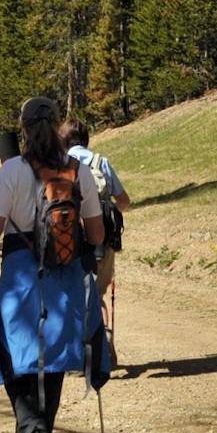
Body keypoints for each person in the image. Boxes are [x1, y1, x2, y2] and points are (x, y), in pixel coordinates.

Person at [0, 96, 111, 433]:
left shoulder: (12, 170)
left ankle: (32, 432)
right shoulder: (77, 171)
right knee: (56, 352)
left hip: (20, 277)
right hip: (65, 276)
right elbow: (96, 234)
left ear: (24, 129)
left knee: (7, 347)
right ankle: (40, 432)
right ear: (58, 125)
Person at [63, 118, 131, 299]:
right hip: (102, 241)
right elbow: (124, 201)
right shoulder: (101, 162)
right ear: (86, 140)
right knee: (96, 295)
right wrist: (108, 211)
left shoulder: (60, 165)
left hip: (67, 241)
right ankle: (99, 324)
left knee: (71, 295)